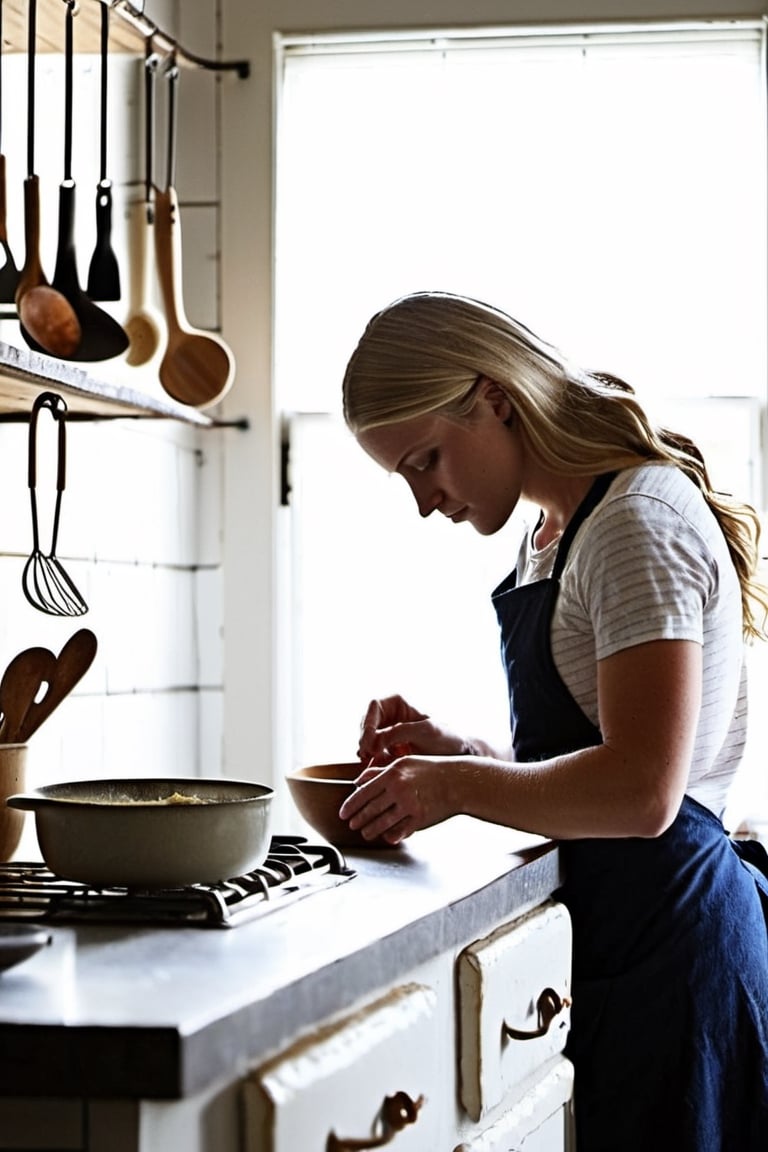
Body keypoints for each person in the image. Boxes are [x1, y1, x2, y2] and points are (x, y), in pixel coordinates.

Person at [338, 291, 768, 1150]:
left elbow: (644, 792)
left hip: (675, 954)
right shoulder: (556, 528)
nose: (425, 501)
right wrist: (460, 750)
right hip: (622, 942)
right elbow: (592, 754)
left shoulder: (634, 523)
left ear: (495, 398)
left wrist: (454, 785)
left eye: (426, 461)